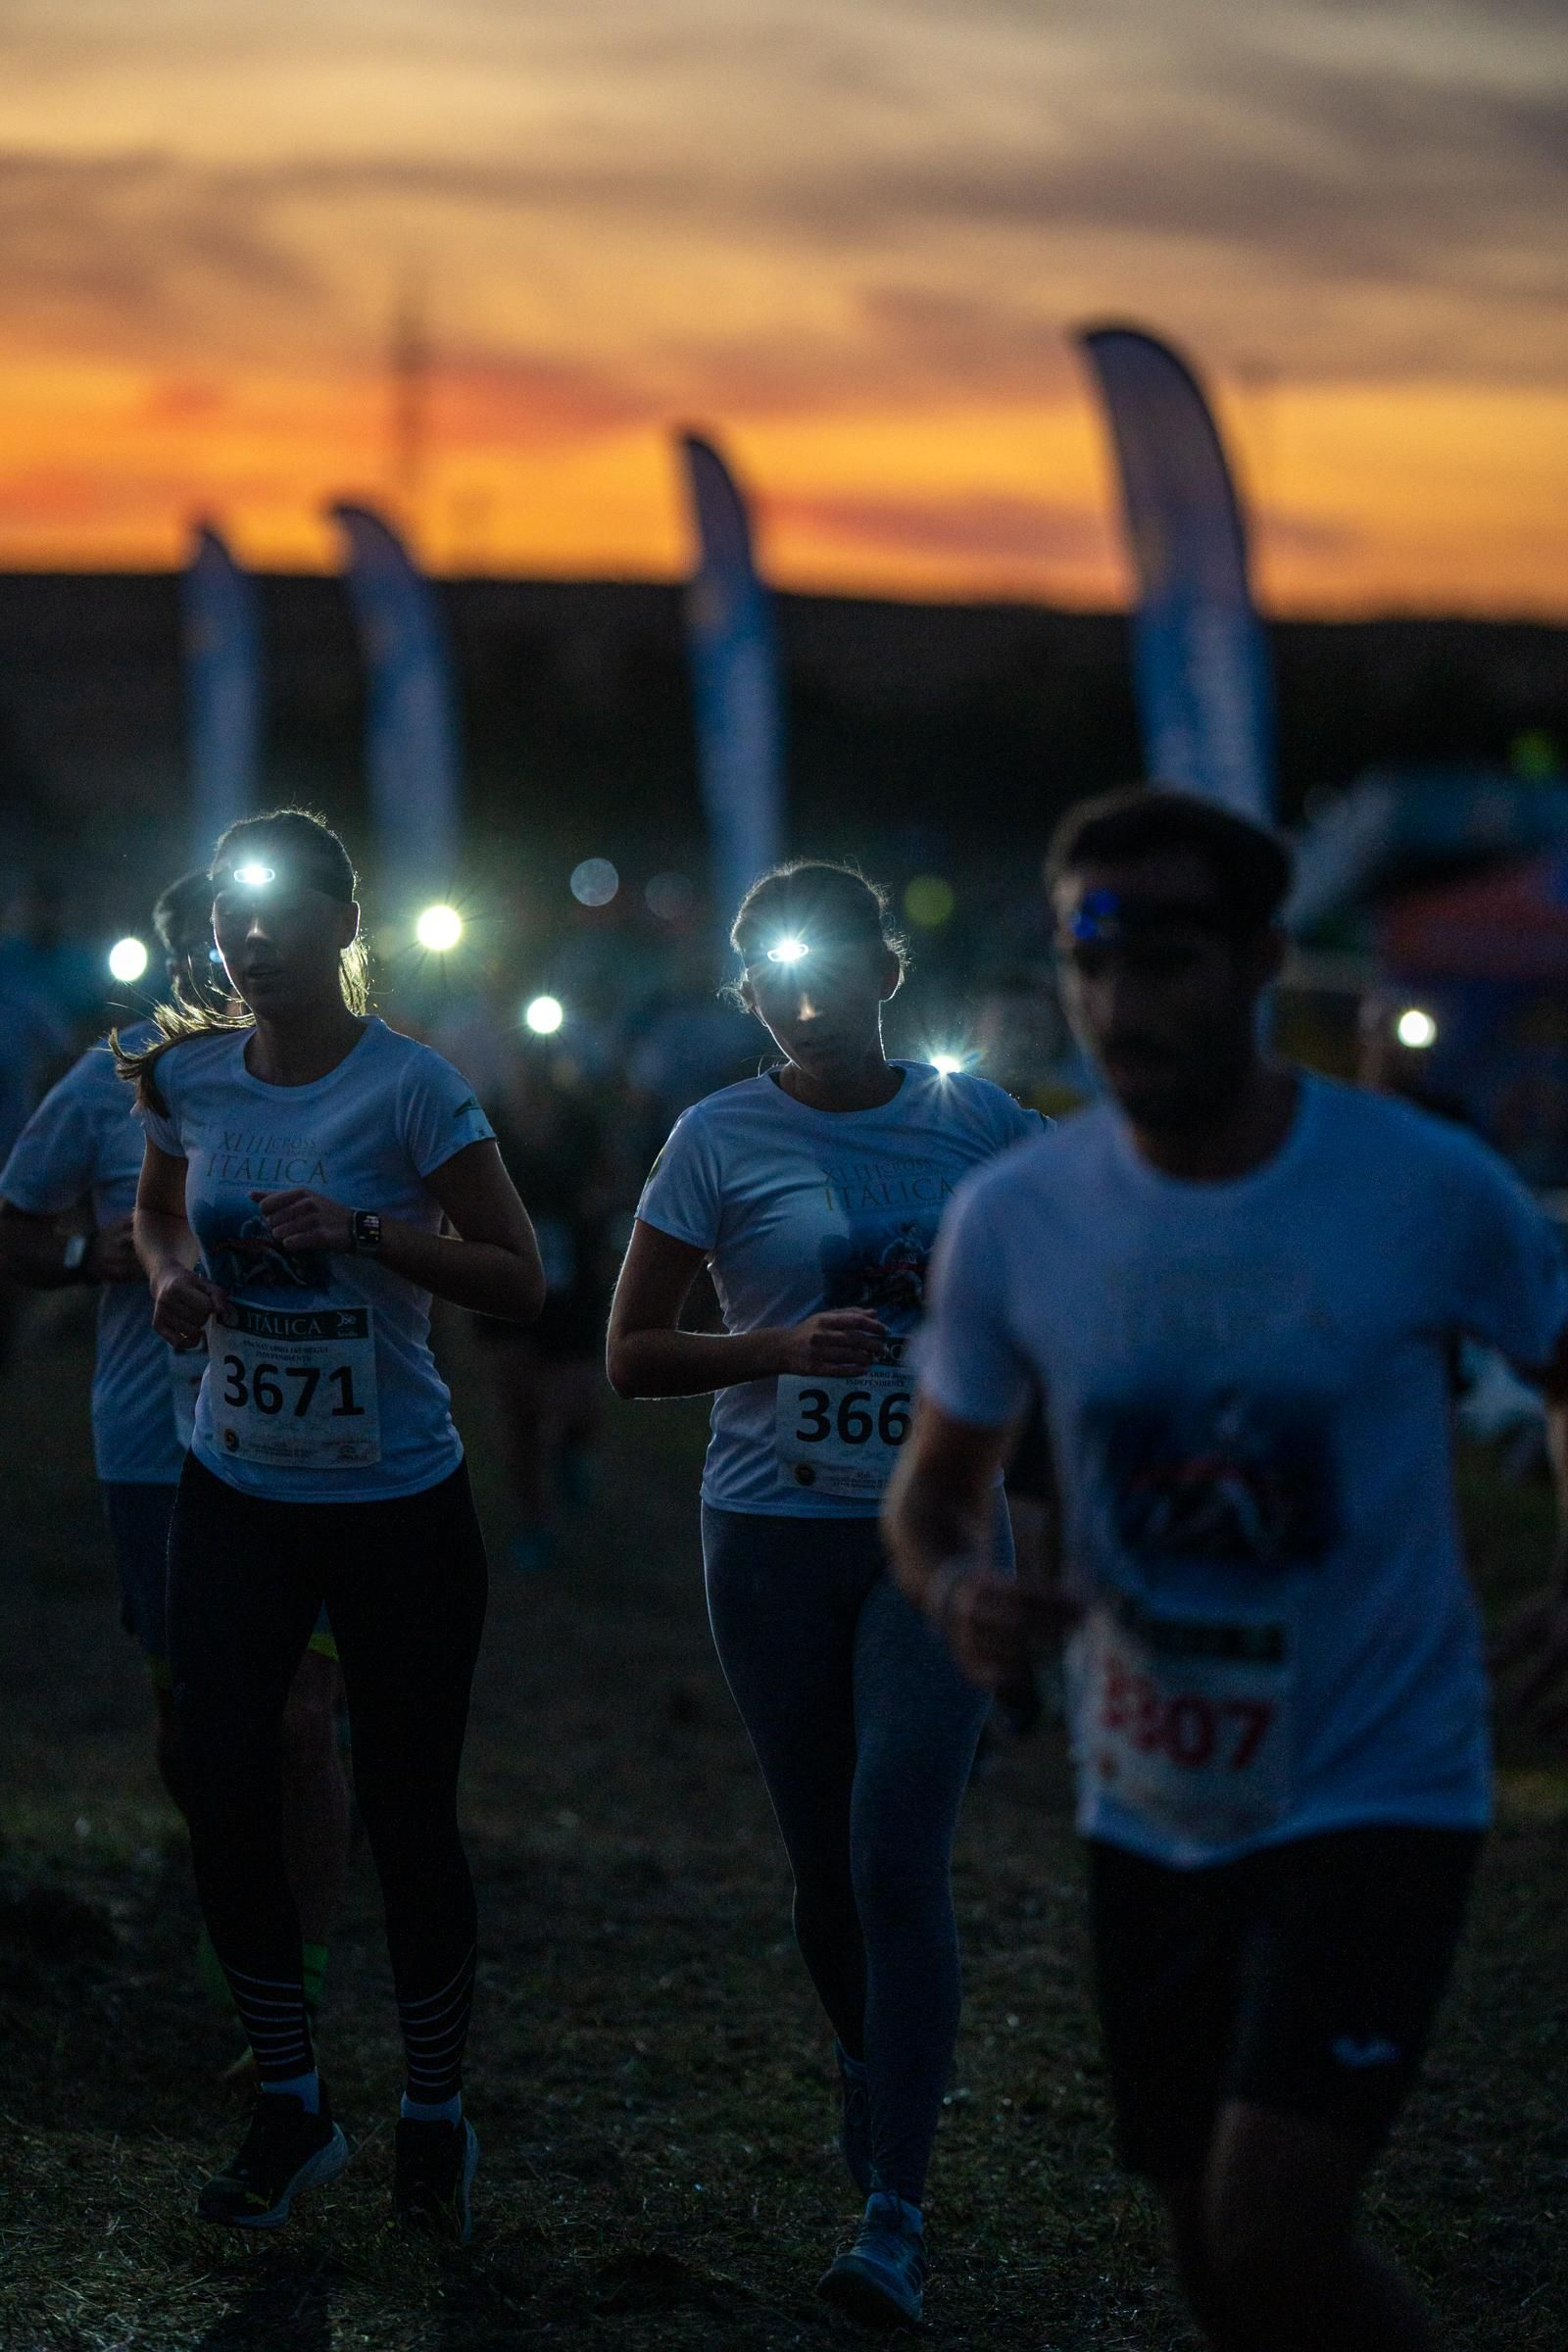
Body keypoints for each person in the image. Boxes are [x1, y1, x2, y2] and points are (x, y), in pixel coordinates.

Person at [883, 785, 1568, 2352]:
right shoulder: (1014, 1219)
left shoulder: (1420, 1186)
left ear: (1263, 961)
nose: (1122, 1004)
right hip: (1154, 1798)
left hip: (1377, 1782)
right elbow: (933, 1496)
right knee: (1205, 2227)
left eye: (1170, 960)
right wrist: (954, 1593)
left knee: (1274, 2223)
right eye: (1090, 961)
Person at [606, 859, 1041, 2328]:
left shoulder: (976, 1121)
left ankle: (894, 2212)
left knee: (893, 1849)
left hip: (941, 1532)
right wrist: (775, 1353)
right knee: (824, 1869)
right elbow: (631, 1352)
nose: (808, 999)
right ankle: (874, 2070)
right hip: (773, 1533)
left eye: (835, 970)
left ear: (885, 975)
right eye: (779, 979)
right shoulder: (715, 1135)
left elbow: (1076, 1259)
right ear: (750, 993)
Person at [118, 808, 544, 2242]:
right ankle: (292, 2107)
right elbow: (160, 1208)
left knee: (410, 1814)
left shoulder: (413, 1092)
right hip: (236, 1488)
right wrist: (172, 1274)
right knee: (223, 1779)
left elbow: (518, 1275)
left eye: (284, 917)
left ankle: (434, 2115)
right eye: (237, 917)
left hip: (396, 1500)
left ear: (343, 929)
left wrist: (364, 1234)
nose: (252, 941)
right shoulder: (188, 1077)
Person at [2, 871, 352, 2052]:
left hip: (313, 1441)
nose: (240, 963)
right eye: (214, 946)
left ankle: (282, 1979)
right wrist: (83, 1259)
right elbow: (17, 1223)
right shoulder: (116, 1076)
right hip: (158, 1445)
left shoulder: (355, 1066)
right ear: (177, 956)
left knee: (302, 1714)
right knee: (195, 1726)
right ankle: (236, 1876)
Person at [469, 1032, 616, 1572]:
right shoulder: (490, 1122)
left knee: (575, 1400)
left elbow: (609, 1179)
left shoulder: (580, 1118)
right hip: (506, 1280)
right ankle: (533, 1522)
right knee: (517, 1411)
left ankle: (574, 1453)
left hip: (570, 1278)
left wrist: (593, 1210)